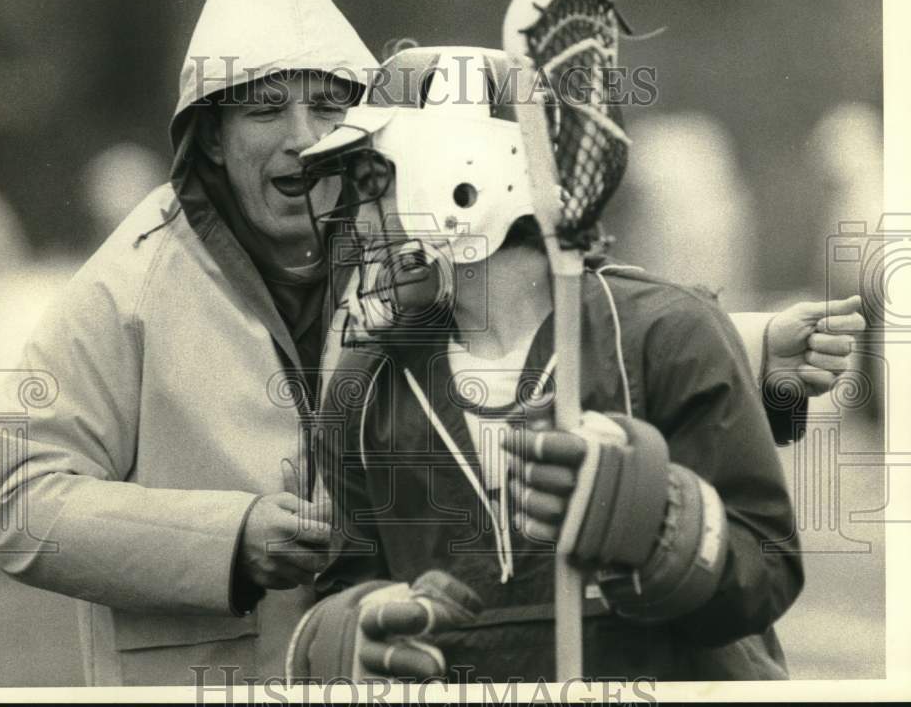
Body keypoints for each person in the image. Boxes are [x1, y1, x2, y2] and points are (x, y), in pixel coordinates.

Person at [286, 43, 855, 682]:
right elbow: (339, 594)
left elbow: (768, 571)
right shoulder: (362, 392)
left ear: (460, 176)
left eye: (372, 186)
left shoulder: (667, 334)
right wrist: (351, 634)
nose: (356, 222)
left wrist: (663, 528)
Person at [0, 0, 377, 686]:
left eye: (329, 104)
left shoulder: (418, 264)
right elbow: (19, 500)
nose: (304, 138)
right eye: (265, 108)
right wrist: (227, 538)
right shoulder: (125, 286)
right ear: (214, 137)